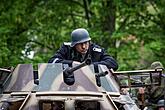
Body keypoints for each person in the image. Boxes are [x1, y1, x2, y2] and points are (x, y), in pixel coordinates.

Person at [48, 28, 118, 71]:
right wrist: (72, 64)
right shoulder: (67, 48)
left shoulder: (96, 50)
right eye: (80, 44)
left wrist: (89, 67)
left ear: (89, 42)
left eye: (86, 43)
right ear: (74, 45)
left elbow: (113, 63)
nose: (84, 47)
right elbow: (52, 62)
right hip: (68, 85)